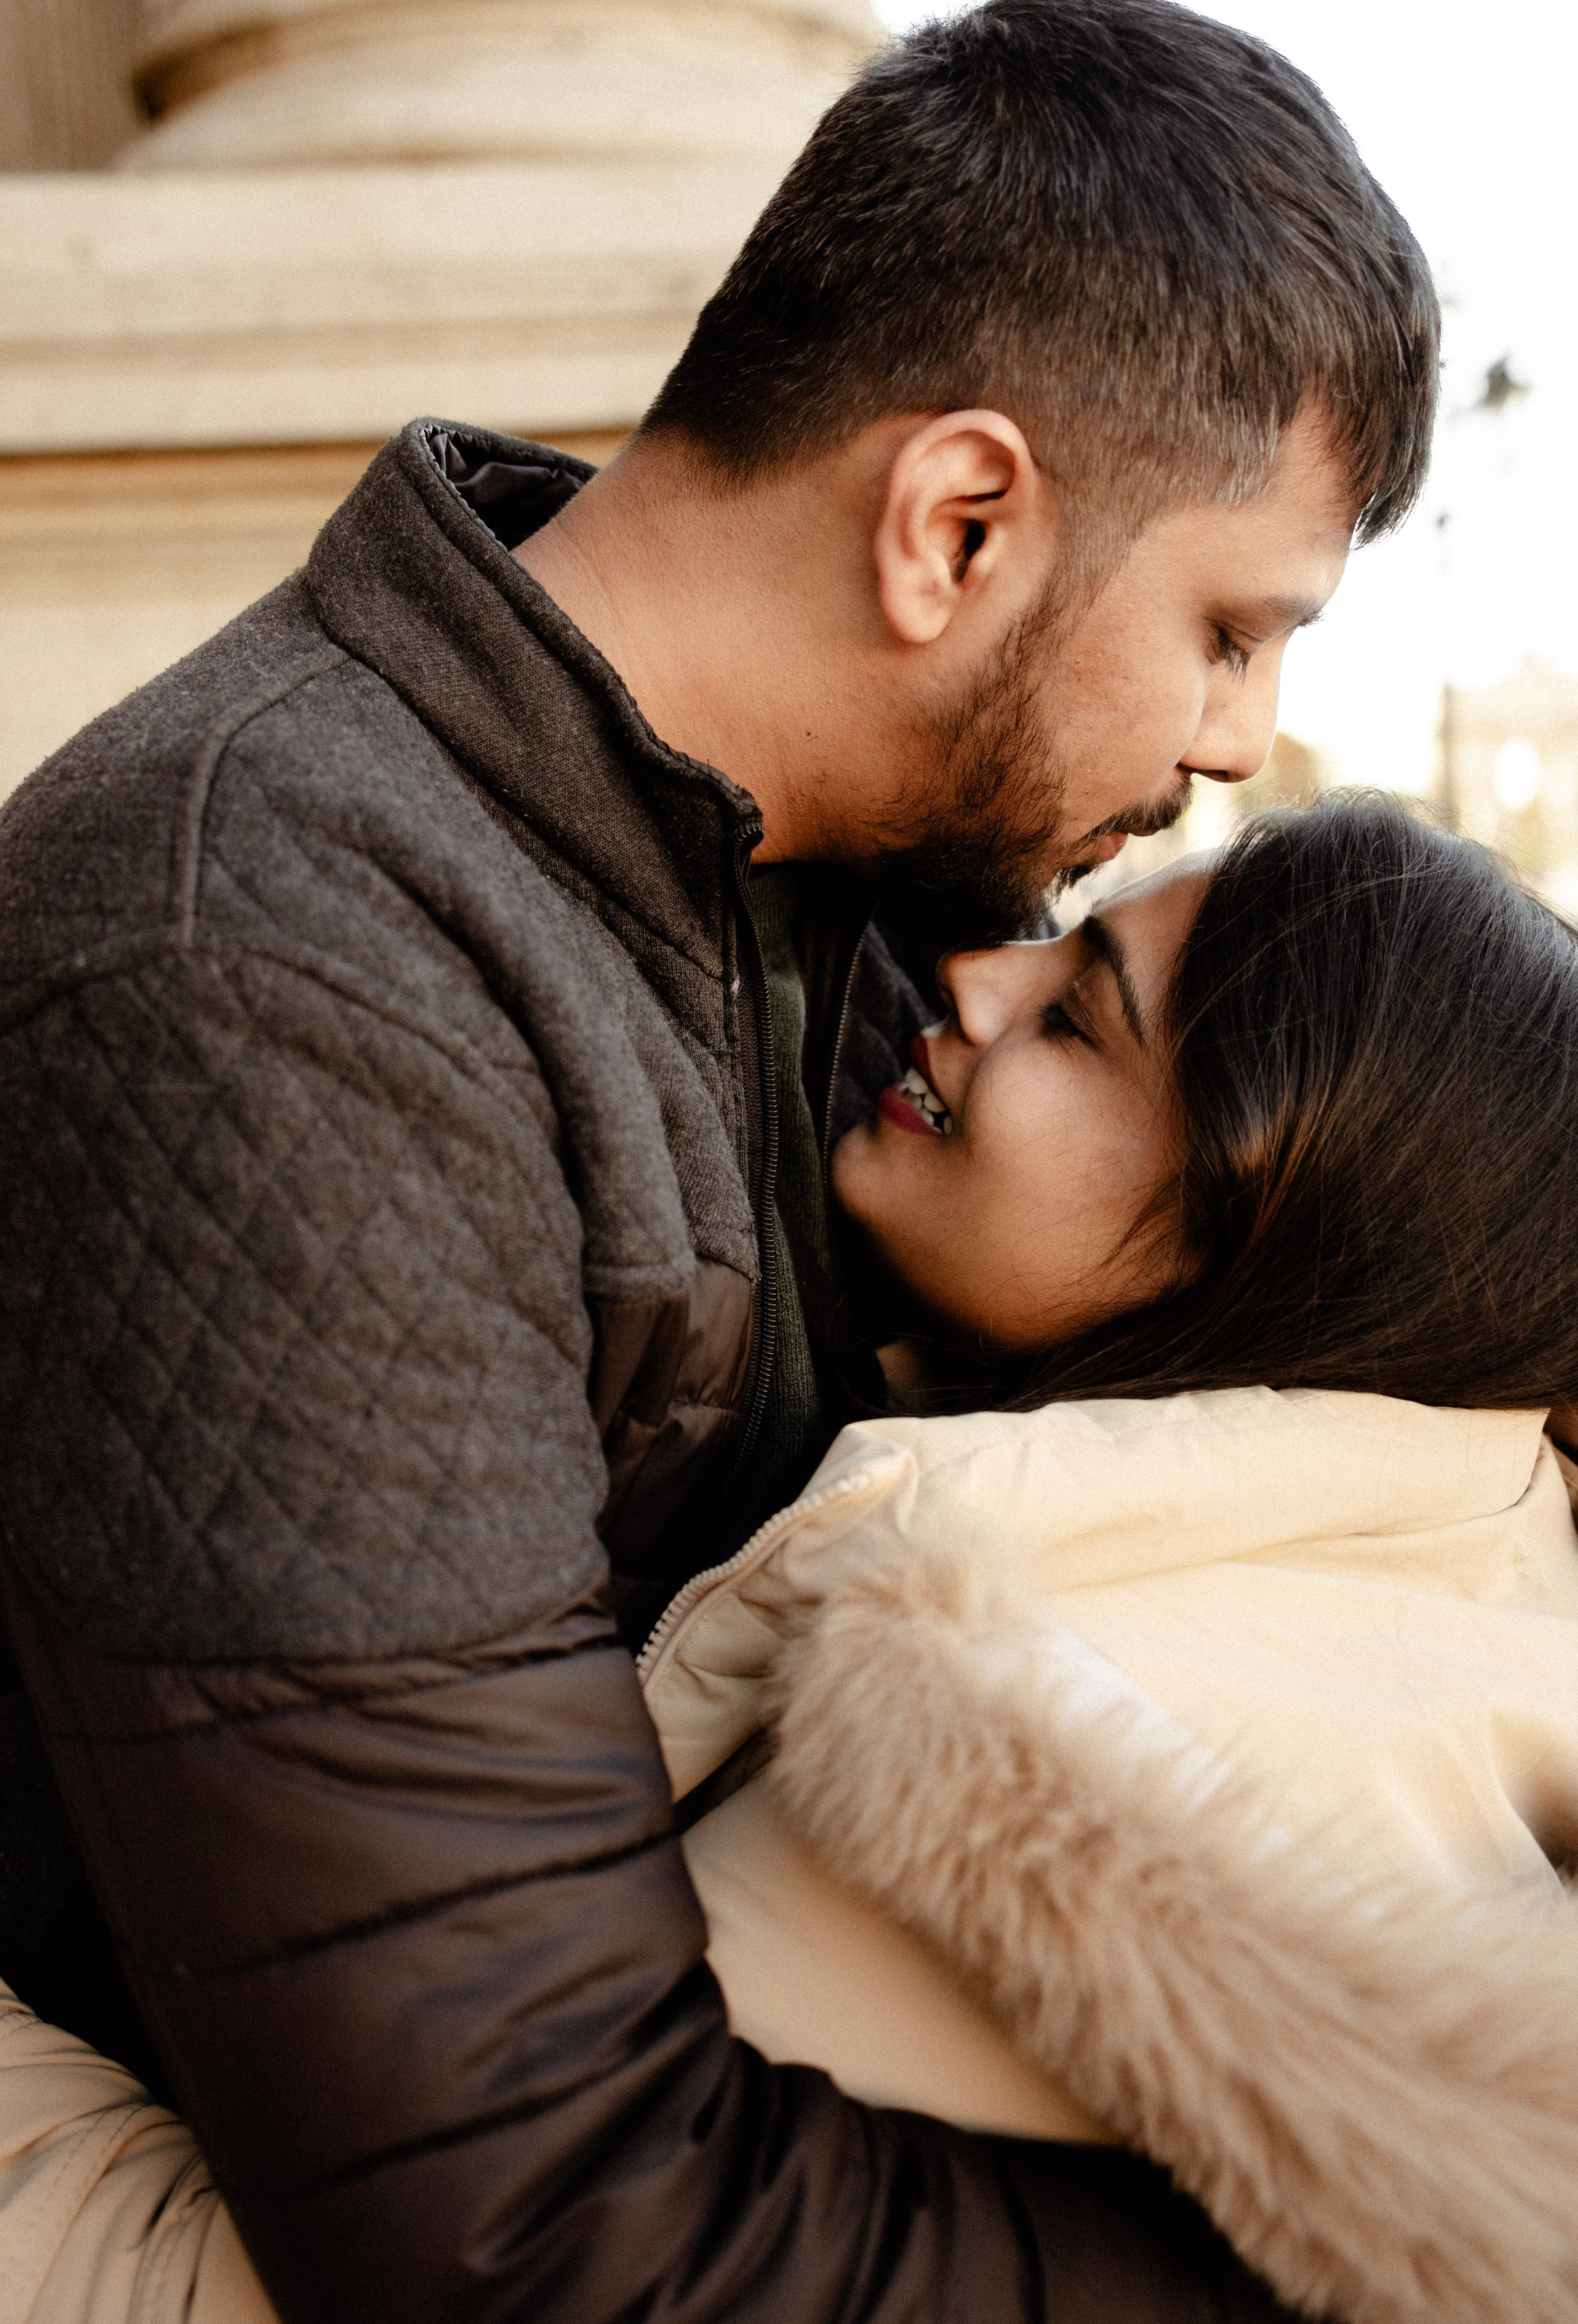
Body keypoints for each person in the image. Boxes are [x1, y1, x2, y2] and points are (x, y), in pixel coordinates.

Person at [0, 0, 1437, 2321]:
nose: (1244, 737)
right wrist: (1398, 2241)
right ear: (958, 522)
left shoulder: (843, 911)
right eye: (1231, 630)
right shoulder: (265, 971)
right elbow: (537, 2228)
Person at [644, 794, 1578, 2324]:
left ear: (1269, 1251)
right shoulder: (1469, 1547)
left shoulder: (1011, 1766)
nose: (976, 980)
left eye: (1077, 1019)